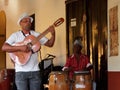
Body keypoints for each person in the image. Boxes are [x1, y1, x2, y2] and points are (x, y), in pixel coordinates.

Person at [1, 13, 55, 90]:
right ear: (20, 23)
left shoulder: (36, 35)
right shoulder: (15, 35)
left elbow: (50, 44)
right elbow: (4, 47)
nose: (28, 22)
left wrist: (53, 34)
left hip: (35, 71)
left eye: (29, 21)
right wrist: (20, 48)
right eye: (25, 21)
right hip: (20, 72)